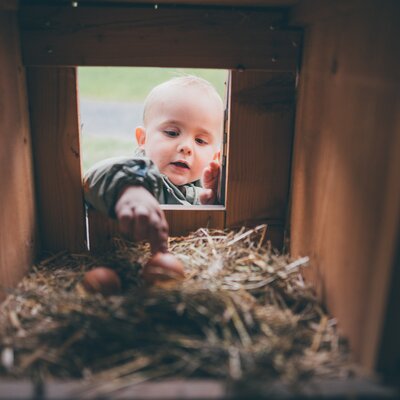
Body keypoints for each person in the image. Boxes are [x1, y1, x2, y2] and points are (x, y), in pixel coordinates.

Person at [83, 75, 224, 254]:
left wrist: (211, 207)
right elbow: (93, 177)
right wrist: (130, 189)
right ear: (143, 139)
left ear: (215, 156)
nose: (186, 147)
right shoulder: (139, 173)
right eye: (172, 133)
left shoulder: (210, 191)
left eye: (200, 140)